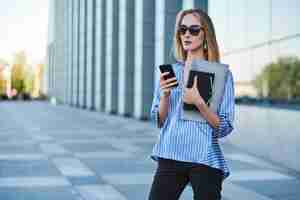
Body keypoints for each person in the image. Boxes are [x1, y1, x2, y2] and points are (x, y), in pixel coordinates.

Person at [148, 8, 235, 200]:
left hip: (204, 157)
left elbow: (225, 127)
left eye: (194, 30)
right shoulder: (170, 72)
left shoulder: (222, 76)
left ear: (206, 35)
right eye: (182, 29)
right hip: (170, 153)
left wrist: (200, 104)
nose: (187, 34)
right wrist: (165, 95)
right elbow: (159, 121)